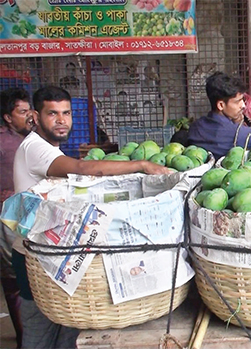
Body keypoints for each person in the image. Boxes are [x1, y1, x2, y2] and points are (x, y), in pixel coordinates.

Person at [12, 86, 169, 349]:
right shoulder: (35, 148)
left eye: (66, 113)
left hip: (52, 256)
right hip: (34, 257)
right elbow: (82, 169)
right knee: (39, 334)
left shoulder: (50, 149)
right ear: (36, 117)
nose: (61, 120)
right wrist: (142, 165)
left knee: (66, 329)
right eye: (52, 113)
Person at [188, 72, 251, 159]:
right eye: (237, 102)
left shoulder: (195, 127)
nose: (243, 105)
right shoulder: (237, 134)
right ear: (221, 105)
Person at [0, 88, 32, 348]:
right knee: (12, 278)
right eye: (22, 112)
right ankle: (23, 336)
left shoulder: (29, 139)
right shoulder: (3, 142)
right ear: (8, 117)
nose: (29, 116)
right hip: (6, 217)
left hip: (25, 215)